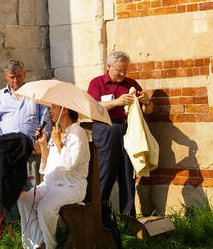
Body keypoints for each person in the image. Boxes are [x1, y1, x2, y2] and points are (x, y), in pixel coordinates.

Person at [87, 51, 153, 216]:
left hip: (127, 130)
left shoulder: (131, 83)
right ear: (109, 67)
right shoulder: (97, 83)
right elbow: (91, 109)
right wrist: (117, 102)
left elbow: (148, 111)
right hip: (105, 130)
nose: (123, 74)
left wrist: (147, 101)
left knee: (127, 174)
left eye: (125, 71)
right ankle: (98, 218)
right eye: (119, 70)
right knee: (104, 173)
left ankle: (128, 218)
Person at [17, 105, 90, 249]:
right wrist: (43, 144)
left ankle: (50, 245)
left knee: (45, 207)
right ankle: (35, 244)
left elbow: (70, 163)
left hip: (71, 186)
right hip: (51, 185)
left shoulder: (78, 132)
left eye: (54, 107)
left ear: (65, 109)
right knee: (25, 202)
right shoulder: (57, 132)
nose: (50, 111)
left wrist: (58, 142)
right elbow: (48, 164)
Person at [0, 59, 50, 189]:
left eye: (18, 76)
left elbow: (46, 118)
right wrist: (2, 145)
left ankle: (32, 210)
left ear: (24, 74)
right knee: (10, 188)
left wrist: (41, 142)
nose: (15, 81)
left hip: (32, 149)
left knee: (33, 187)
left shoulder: (35, 95)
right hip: (7, 151)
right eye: (12, 77)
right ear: (6, 77)